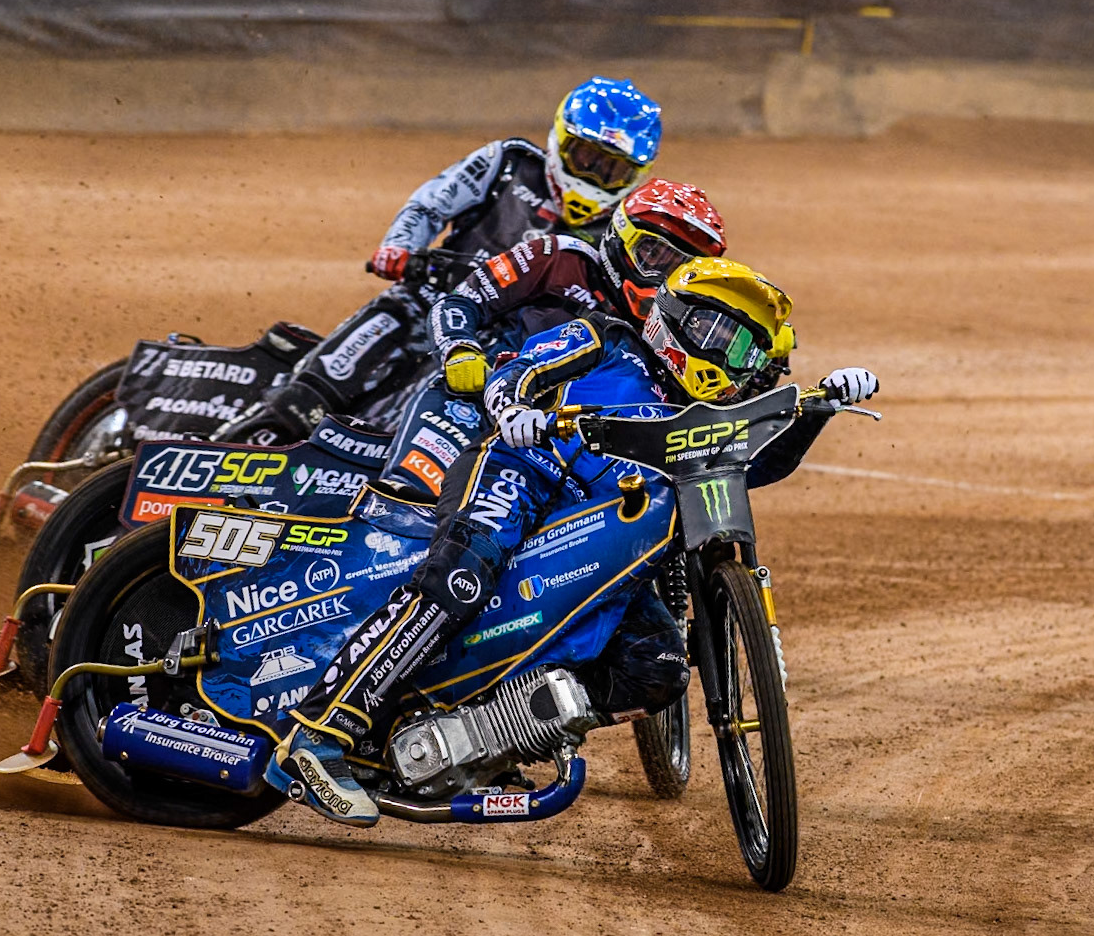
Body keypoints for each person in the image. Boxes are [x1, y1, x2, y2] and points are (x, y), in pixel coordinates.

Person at [266, 257, 880, 826]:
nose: (733, 357)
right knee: (462, 575)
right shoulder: (606, 338)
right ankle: (321, 731)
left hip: (602, 535)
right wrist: (513, 409)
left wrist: (821, 406)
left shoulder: (707, 413)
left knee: (658, 670)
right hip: (523, 470)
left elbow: (760, 462)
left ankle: (486, 736)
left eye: (748, 349)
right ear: (679, 320)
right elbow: (519, 371)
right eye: (723, 335)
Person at [214, 77, 663, 445]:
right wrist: (400, 247)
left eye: (612, 170)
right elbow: (430, 205)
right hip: (421, 301)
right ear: (560, 140)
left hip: (491, 346)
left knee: (400, 434)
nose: (595, 177)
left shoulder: (622, 231)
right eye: (586, 158)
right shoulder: (507, 161)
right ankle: (231, 444)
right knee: (311, 390)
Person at [372, 177, 735, 500]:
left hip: (582, 444)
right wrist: (459, 349)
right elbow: (458, 302)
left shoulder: (678, 317)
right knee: (410, 499)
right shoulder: (556, 255)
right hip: (485, 403)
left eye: (677, 267)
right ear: (620, 235)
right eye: (651, 253)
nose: (657, 275)